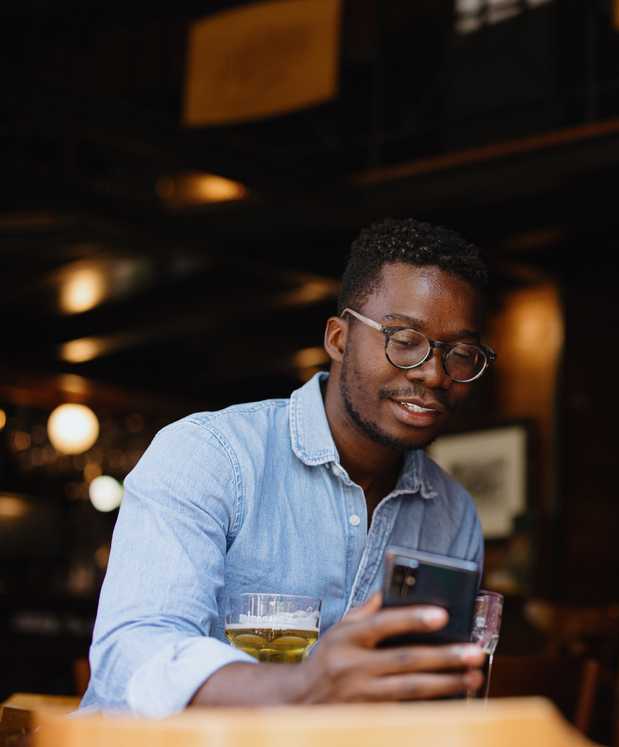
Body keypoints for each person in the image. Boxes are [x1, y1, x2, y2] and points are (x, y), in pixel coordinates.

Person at [80, 219, 497, 716]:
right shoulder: (211, 456)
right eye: (405, 339)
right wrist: (305, 687)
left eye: (461, 353)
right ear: (339, 339)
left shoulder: (453, 515)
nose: (433, 372)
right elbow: (133, 657)